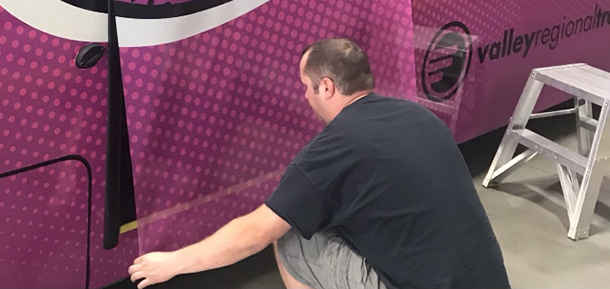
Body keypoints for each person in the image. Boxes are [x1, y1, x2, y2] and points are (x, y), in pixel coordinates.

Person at [128, 37, 511, 289]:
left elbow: (254, 232)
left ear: (326, 87)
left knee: (291, 237)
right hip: (488, 279)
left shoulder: (332, 148)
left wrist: (173, 263)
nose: (305, 95)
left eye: (306, 86)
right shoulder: (418, 116)